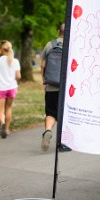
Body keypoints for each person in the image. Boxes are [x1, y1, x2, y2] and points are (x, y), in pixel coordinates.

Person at [40, 24, 71, 152]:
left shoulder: (50, 45)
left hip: (51, 86)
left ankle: (47, 130)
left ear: (58, 31)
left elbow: (42, 65)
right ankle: (61, 143)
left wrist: (44, 80)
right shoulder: (71, 46)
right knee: (64, 115)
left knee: (51, 112)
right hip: (66, 88)